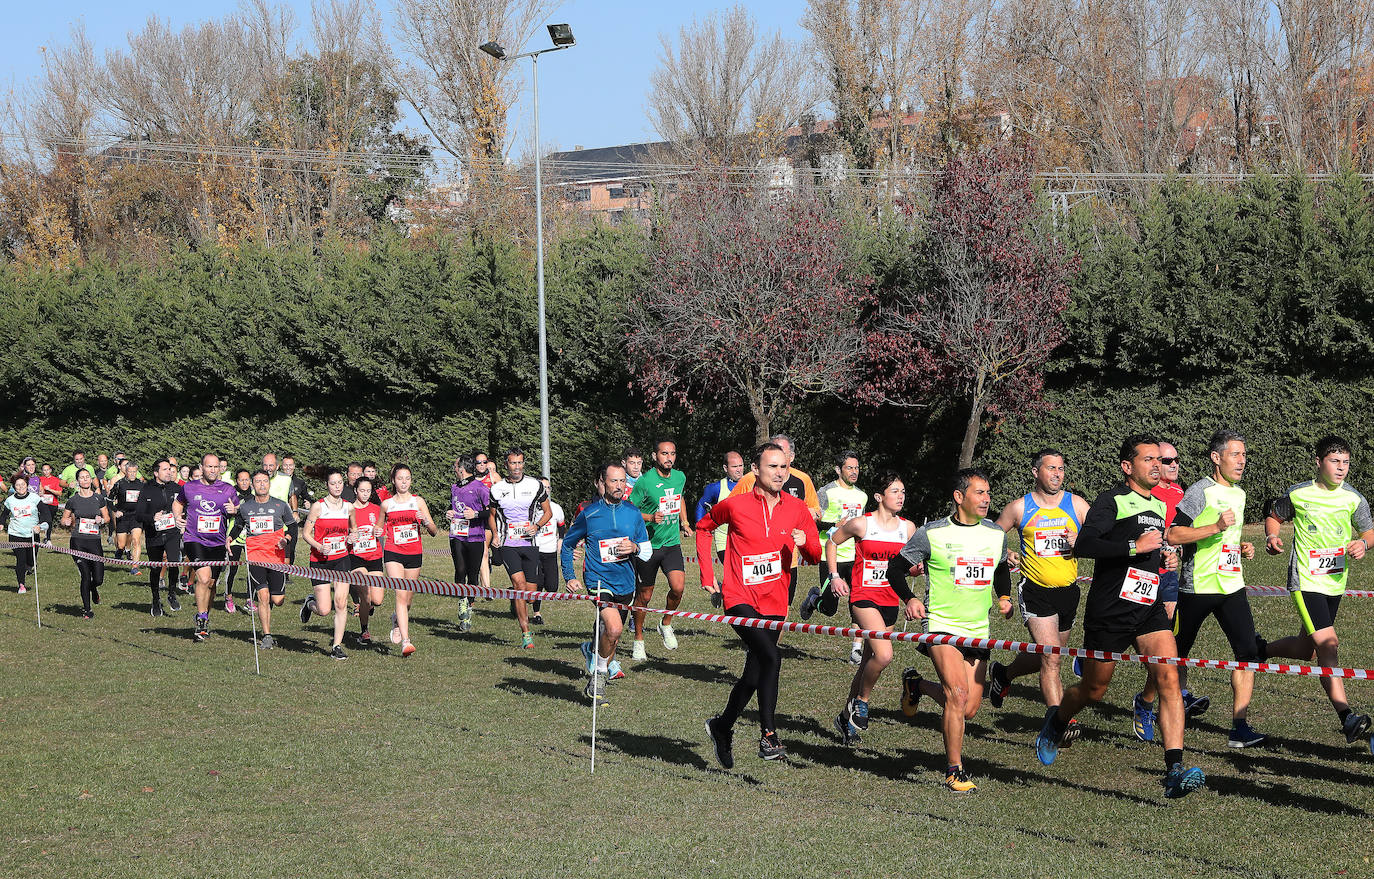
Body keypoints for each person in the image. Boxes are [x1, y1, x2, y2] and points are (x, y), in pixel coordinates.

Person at [1032, 435, 1205, 799]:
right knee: (1094, 689)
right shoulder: (1111, 501)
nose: (1158, 466)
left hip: (1149, 608)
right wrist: (1133, 547)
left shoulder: (1160, 505)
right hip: (1110, 611)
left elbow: (1150, 551)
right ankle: (1056, 721)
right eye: (1149, 460)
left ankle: (1174, 768)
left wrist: (1163, 559)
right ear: (1128, 467)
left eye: (1160, 460)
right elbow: (1085, 544)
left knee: (1169, 679)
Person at [1139, 430, 1266, 749]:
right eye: (1235, 454)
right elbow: (1174, 533)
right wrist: (1215, 528)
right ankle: (1147, 703)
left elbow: (1227, 540)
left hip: (1232, 585)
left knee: (1247, 653)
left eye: (1244, 455)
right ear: (1216, 457)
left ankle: (1239, 727)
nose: (1241, 461)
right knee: (1173, 655)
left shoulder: (1239, 493)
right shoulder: (1200, 492)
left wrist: (1241, 546)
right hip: (1197, 587)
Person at [697, 442, 822, 767]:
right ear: (756, 469)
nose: (780, 473)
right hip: (739, 597)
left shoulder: (796, 508)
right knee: (771, 656)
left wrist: (804, 543)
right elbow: (703, 528)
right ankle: (769, 735)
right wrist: (708, 574)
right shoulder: (735, 505)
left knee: (755, 673)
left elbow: (814, 555)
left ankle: (722, 727)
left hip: (775, 602)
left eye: (784, 467)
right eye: (773, 467)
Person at [886, 469, 1011, 792]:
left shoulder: (996, 534)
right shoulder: (931, 534)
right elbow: (895, 568)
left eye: (988, 493)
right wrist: (911, 598)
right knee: (956, 695)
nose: (986, 499)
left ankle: (916, 685)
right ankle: (954, 771)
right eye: (979, 493)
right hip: (941, 624)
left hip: (977, 629)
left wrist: (1006, 597)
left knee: (968, 707)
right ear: (959, 497)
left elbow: (999, 570)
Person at [1263, 434, 1374, 746]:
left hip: (1335, 582)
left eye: (1346, 463)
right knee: (1329, 643)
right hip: (1305, 581)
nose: (1341, 468)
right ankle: (1347, 716)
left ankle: (1261, 650)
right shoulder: (1299, 494)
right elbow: (1274, 514)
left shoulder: (1353, 498)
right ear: (1319, 462)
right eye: (1335, 461)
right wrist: (1272, 537)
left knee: (1306, 649)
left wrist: (1363, 544)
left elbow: (1369, 530)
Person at [987, 448, 1090, 715]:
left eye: (1061, 469)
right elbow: (991, 536)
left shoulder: (1076, 504)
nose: (1057, 474)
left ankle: (1004, 674)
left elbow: (1099, 539)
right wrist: (1005, 552)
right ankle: (1057, 721)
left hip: (1068, 591)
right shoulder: (1020, 507)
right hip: (1034, 590)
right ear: (1036, 472)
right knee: (1052, 657)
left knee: (1050, 655)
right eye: (1051, 468)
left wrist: (1080, 541)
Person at [824, 472, 913, 746]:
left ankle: (844, 718)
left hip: (890, 600)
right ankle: (861, 702)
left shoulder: (908, 528)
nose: (900, 496)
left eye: (903, 492)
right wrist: (835, 576)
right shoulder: (862, 524)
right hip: (863, 597)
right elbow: (831, 542)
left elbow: (907, 564)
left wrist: (915, 570)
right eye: (895, 491)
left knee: (867, 663)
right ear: (879, 496)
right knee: (884, 655)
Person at [563, 462, 652, 705]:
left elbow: (646, 549)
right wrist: (569, 576)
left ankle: (592, 650)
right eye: (614, 481)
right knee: (613, 629)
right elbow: (568, 544)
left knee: (611, 638)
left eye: (622, 481)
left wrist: (634, 547)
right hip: (598, 579)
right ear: (603, 483)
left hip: (625, 582)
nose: (619, 486)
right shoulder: (589, 514)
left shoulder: (633, 513)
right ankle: (599, 675)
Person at [728, 434, 822, 604]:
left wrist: (808, 515)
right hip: (755, 558)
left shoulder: (802, 479)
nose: (775, 454)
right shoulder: (750, 478)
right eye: (772, 449)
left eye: (780, 451)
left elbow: (815, 510)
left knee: (782, 611)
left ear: (791, 457)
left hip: (788, 558)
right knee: (755, 611)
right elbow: (730, 508)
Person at [802, 451, 867, 664]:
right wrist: (834, 526)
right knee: (829, 609)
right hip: (830, 554)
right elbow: (810, 521)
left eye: (856, 468)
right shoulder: (826, 492)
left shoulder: (862, 495)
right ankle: (813, 599)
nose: (854, 472)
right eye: (850, 468)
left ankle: (856, 649)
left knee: (858, 603)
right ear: (838, 470)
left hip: (855, 556)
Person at [628, 439, 691, 659]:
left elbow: (680, 497)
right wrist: (650, 517)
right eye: (664, 454)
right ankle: (638, 639)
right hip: (648, 545)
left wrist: (684, 522)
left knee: (678, 587)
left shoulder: (679, 477)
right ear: (655, 456)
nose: (669, 458)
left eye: (672, 453)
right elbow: (629, 508)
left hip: (671, 543)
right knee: (644, 596)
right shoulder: (645, 481)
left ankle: (665, 623)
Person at [488, 449, 552, 649]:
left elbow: (548, 512)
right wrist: (496, 535)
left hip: (530, 544)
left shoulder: (535, 485)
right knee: (519, 585)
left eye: (520, 463)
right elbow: (491, 515)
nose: (516, 467)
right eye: (513, 463)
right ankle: (526, 635)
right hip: (508, 545)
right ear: (506, 464)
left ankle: (515, 598)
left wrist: (537, 526)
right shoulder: (497, 489)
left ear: (524, 464)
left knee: (531, 595)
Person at [173, 454, 241, 642]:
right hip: (194, 539)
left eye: (215, 467)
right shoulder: (189, 487)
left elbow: (237, 509)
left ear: (220, 469)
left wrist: (234, 510)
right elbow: (178, 503)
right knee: (203, 578)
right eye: (209, 466)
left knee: (211, 583)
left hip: (217, 542)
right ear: (202, 467)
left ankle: (204, 616)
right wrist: (177, 517)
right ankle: (201, 620)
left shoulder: (228, 489)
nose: (212, 470)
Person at [234, 470, 297, 649]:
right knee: (262, 595)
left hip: (275, 557)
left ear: (269, 484)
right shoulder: (245, 507)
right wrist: (230, 538)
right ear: (252, 485)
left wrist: (287, 540)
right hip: (255, 556)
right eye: (258, 482)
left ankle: (269, 605)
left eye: (265, 481)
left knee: (277, 600)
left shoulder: (280, 505)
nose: (262, 484)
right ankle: (267, 635)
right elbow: (239, 525)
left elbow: (292, 527)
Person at [382, 464, 439, 656]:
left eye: (407, 478)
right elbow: (379, 529)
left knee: (407, 598)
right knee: (400, 594)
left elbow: (434, 531)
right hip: (393, 552)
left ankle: (397, 618)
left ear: (411, 480)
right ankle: (406, 642)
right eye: (400, 478)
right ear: (393, 481)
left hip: (414, 553)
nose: (404, 482)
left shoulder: (418, 501)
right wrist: (375, 531)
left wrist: (425, 520)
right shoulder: (387, 504)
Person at [300, 471, 354, 659]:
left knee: (341, 603)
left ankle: (336, 646)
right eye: (333, 483)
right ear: (327, 485)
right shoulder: (318, 507)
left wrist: (351, 537)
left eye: (340, 483)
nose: (337, 486)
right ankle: (309, 604)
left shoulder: (349, 507)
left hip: (341, 559)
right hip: (320, 561)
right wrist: (319, 546)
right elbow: (306, 534)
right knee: (324, 609)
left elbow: (353, 530)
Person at [447, 457, 490, 634]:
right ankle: (462, 602)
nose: (454, 469)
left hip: (475, 537)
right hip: (457, 535)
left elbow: (491, 512)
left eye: (456, 466)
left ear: (462, 469)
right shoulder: (455, 487)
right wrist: (449, 513)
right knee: (460, 570)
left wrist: (476, 514)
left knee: (472, 574)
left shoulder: (481, 488)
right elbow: (454, 507)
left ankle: (469, 609)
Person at [137, 459, 184, 616]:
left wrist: (183, 520)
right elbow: (139, 514)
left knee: (174, 563)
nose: (169, 472)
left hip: (172, 533)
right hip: (154, 535)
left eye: (170, 469)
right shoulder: (147, 489)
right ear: (156, 473)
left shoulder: (177, 488)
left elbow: (187, 507)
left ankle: (172, 593)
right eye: (165, 469)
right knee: (155, 568)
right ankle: (155, 599)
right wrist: (152, 517)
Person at [62, 469, 109, 619]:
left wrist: (101, 520)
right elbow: (64, 519)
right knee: (85, 575)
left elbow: (107, 518)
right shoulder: (73, 500)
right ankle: (87, 610)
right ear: (78, 482)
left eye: (87, 477)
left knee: (98, 578)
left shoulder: (98, 498)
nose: (85, 480)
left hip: (94, 542)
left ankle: (94, 589)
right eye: (82, 478)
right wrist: (66, 522)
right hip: (78, 541)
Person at [347, 476, 386, 644]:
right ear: (355, 491)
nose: (365, 494)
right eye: (362, 490)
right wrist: (349, 537)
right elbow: (340, 532)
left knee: (377, 600)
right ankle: (364, 631)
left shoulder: (377, 509)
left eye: (368, 491)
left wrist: (380, 532)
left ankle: (364, 606)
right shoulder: (348, 509)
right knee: (366, 595)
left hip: (375, 556)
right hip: (356, 558)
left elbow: (383, 529)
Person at [694, 450, 744, 567]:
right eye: (734, 466)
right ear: (725, 468)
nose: (739, 469)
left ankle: (723, 586)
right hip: (724, 542)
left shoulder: (752, 484)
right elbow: (701, 505)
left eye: (741, 465)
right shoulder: (716, 488)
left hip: (746, 540)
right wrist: (702, 527)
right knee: (735, 573)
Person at [533, 477, 566, 626]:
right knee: (537, 584)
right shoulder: (531, 509)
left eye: (548, 487)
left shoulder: (556, 508)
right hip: (534, 551)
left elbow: (561, 525)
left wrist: (561, 539)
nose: (545, 490)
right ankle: (536, 614)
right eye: (542, 487)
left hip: (550, 551)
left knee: (552, 588)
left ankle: (515, 592)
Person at [222, 468, 253, 614]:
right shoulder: (231, 494)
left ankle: (249, 599)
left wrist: (238, 510)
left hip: (250, 536)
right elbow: (225, 513)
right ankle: (228, 597)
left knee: (251, 568)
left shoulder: (254, 496)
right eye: (241, 480)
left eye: (247, 479)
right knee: (233, 568)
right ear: (236, 481)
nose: (244, 482)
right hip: (234, 536)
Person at [4, 474, 41, 592]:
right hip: (15, 534)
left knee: (30, 559)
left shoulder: (34, 498)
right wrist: (1, 524)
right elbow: (4, 515)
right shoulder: (10, 500)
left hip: (32, 534)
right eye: (17, 485)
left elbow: (45, 513)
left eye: (23, 484)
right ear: (14, 487)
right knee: (21, 559)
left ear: (27, 485)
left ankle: (29, 566)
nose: (20, 487)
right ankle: (21, 585)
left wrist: (42, 525)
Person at [108, 459, 145, 574]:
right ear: (126, 472)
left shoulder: (141, 485)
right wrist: (115, 511)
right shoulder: (120, 484)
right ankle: (119, 550)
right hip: (123, 516)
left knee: (136, 540)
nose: (133, 474)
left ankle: (135, 567)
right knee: (121, 544)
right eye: (130, 472)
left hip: (136, 516)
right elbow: (109, 500)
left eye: (135, 471)